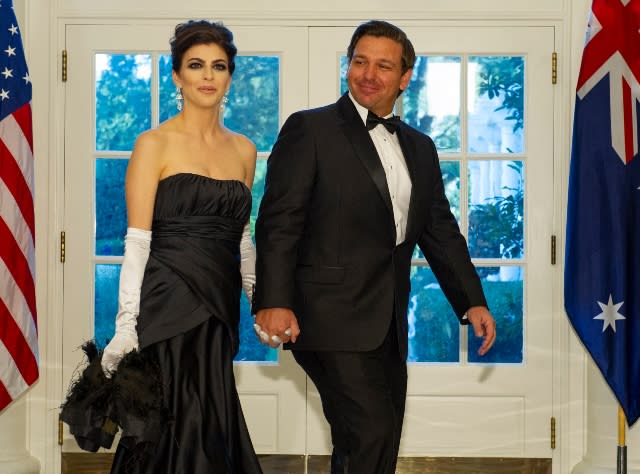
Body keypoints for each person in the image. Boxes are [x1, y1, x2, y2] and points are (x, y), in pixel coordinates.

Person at [252, 20, 497, 473]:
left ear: (405, 78)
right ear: (348, 65)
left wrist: (472, 301)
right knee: (371, 431)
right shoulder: (310, 129)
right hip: (325, 316)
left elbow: (439, 230)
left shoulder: (421, 148)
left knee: (373, 439)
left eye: (384, 66)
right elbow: (278, 221)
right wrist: (272, 300)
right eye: (360, 61)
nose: (368, 73)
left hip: (386, 322)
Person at [60, 20, 263, 473]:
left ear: (230, 75)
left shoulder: (245, 150)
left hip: (218, 300)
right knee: (169, 413)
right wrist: (127, 325)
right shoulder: (153, 144)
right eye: (196, 65)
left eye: (218, 66)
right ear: (177, 75)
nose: (208, 76)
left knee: (212, 408)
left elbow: (242, 235)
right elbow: (137, 240)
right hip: (166, 297)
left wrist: (259, 298)